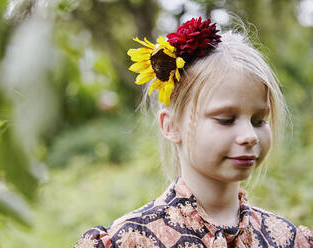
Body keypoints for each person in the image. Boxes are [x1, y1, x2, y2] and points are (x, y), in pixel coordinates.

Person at [75, 17, 313, 248]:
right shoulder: (130, 240)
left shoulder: (286, 239)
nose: (249, 135)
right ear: (170, 125)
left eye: (259, 120)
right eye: (226, 119)